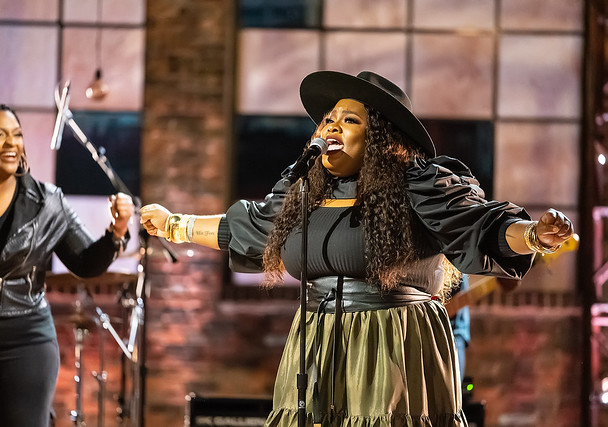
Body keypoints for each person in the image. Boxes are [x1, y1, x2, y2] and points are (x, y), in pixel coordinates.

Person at [140, 71, 574, 426]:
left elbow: (481, 225)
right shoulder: (303, 192)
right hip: (315, 338)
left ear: (381, 138)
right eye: (328, 118)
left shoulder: (418, 184)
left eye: (348, 120)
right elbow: (249, 228)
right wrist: (174, 224)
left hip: (391, 342)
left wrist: (534, 234)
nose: (330, 126)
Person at [0, 103, 134, 427]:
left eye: (16, 135)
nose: (10, 144)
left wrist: (117, 231)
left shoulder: (47, 203)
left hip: (25, 342)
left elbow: (86, 263)